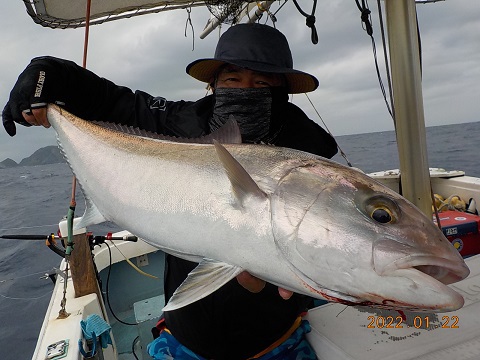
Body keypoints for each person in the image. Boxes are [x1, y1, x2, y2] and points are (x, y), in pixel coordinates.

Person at [3, 23, 337, 359]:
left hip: (276, 338)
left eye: (262, 82)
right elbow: (111, 100)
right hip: (187, 335)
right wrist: (46, 73)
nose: (246, 89)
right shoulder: (183, 122)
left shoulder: (308, 154)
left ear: (283, 91)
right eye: (233, 79)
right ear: (214, 84)